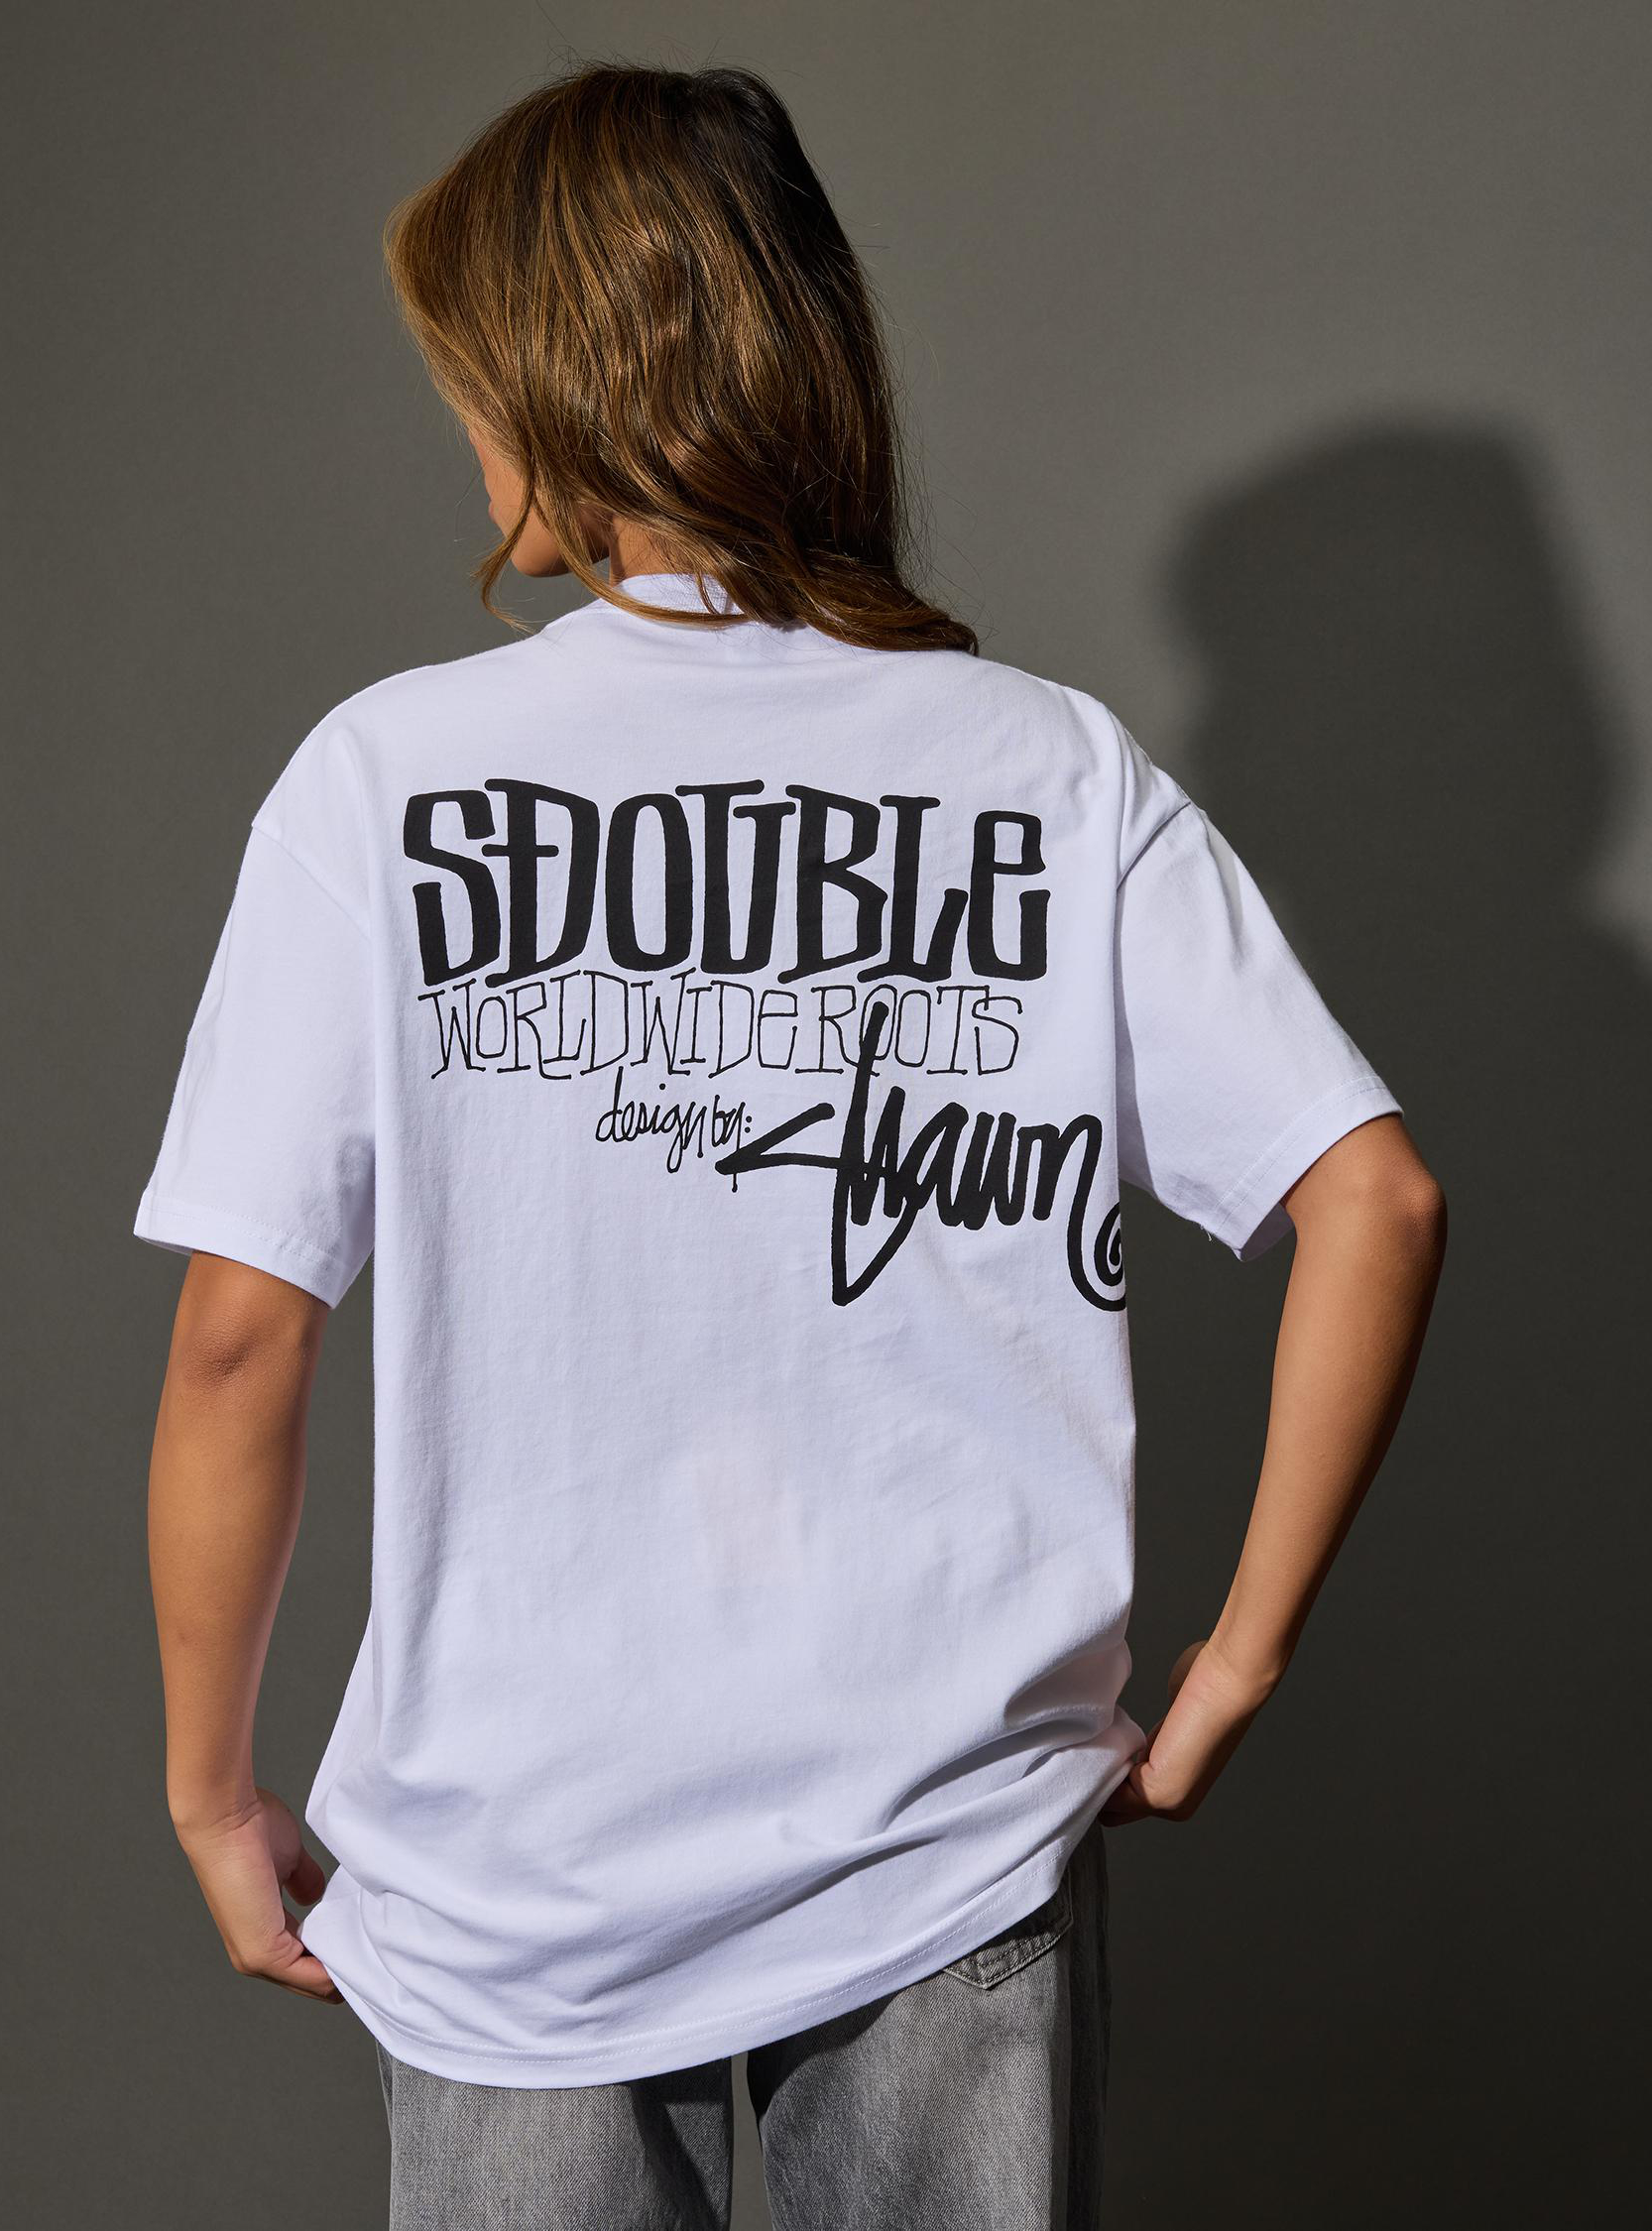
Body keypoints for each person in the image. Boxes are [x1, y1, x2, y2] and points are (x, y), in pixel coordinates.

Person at [137, 62, 1446, 2231]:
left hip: (517, 1873)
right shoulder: (1048, 772)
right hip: (952, 1834)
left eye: (467, 380)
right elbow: (1373, 1197)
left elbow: (235, 1340)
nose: (462, 433)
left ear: (558, 375)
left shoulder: (383, 780)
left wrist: (209, 1792)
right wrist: (1232, 1670)